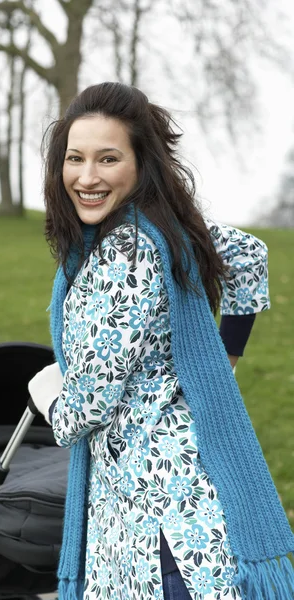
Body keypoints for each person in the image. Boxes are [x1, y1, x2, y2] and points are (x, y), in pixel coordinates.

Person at [28, 82, 294, 600]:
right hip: (187, 495)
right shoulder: (167, 227)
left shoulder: (122, 254)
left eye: (108, 159)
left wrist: (49, 393)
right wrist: (225, 358)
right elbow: (248, 256)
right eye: (74, 158)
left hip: (160, 523)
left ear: (140, 163)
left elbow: (85, 407)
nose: (87, 177)